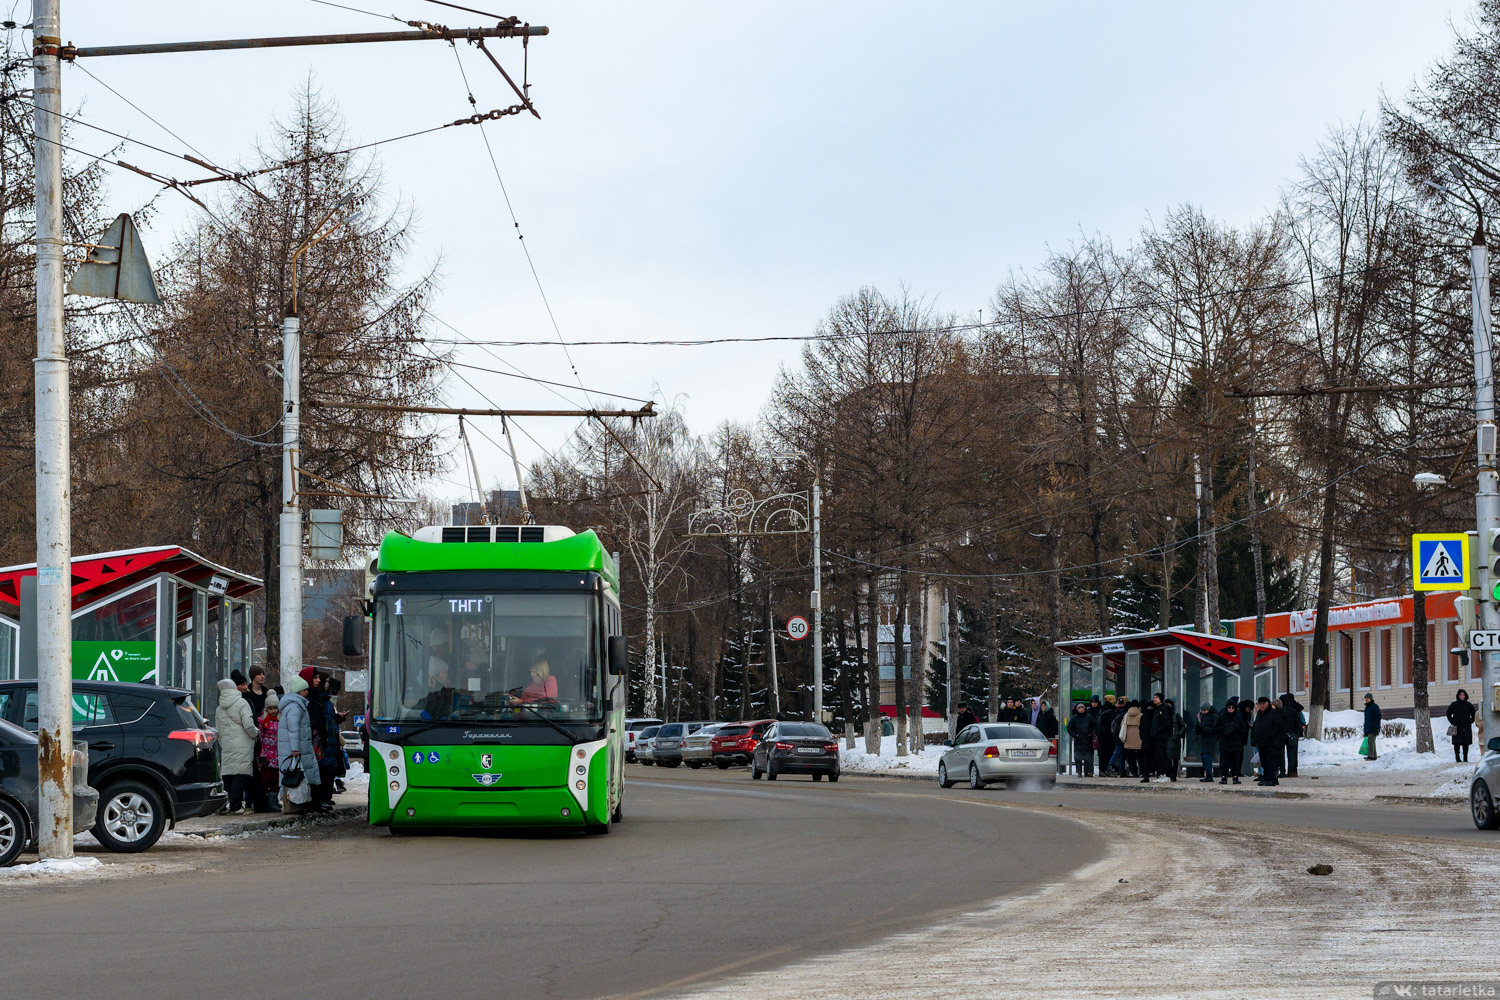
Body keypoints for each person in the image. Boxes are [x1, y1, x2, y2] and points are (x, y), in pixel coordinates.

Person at [215, 678, 259, 814]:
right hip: (242, 743)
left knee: (228, 775)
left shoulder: (219, 708)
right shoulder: (242, 703)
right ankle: (236, 805)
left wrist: (223, 743)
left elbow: (219, 730)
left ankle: (224, 804)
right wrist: (255, 734)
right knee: (239, 775)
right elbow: (248, 724)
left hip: (228, 744)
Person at [277, 675, 320, 812]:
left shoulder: (294, 705)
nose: (307, 692)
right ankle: (294, 804)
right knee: (296, 776)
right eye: (304, 690)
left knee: (297, 776)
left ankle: (298, 803)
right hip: (296, 748)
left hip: (298, 746)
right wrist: (295, 748)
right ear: (298, 691)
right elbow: (293, 729)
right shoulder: (295, 707)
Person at [1252, 696, 1287, 785]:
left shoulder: (1273, 713)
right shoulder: (1260, 714)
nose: (1262, 706)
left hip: (1271, 742)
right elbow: (1257, 726)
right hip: (1261, 742)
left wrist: (1275, 738)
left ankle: (1272, 778)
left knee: (1271, 761)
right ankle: (1267, 777)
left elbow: (1280, 727)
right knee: (1264, 761)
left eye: (1264, 704)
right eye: (1260, 704)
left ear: (1268, 704)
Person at [254, 692, 281, 812]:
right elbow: (258, 737)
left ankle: (273, 801)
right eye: (270, 708)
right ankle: (264, 802)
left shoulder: (281, 720)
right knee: (265, 779)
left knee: (276, 780)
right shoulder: (262, 721)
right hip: (265, 756)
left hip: (278, 755)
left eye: (275, 708)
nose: (273, 711)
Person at [1217, 698, 1246, 784]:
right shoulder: (1222, 717)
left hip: (1235, 743)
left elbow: (1244, 729)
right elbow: (1215, 728)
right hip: (1224, 742)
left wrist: (1236, 729)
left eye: (1232, 708)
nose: (1231, 709)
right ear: (1226, 708)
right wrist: (1224, 729)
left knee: (1235, 762)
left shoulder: (1238, 717)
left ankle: (1235, 777)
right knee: (1224, 761)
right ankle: (1224, 777)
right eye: (1229, 707)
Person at [1149, 693, 1175, 781]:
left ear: (1161, 699)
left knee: (1163, 756)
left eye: (1156, 698)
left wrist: (1156, 731)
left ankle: (1166, 774)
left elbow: (1165, 724)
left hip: (1162, 737)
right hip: (1156, 737)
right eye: (1154, 698)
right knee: (1158, 756)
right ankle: (1161, 774)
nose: (1154, 699)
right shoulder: (1157, 709)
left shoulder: (1164, 709)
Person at [1448, 688, 1478, 763]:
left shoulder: (1469, 705)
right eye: (1460, 695)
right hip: (1456, 727)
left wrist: (1471, 721)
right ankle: (1457, 758)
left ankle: (1465, 758)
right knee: (1456, 743)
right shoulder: (1454, 705)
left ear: (1465, 696)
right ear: (1458, 696)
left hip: (1466, 727)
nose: (1462, 696)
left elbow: (1474, 714)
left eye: (1463, 695)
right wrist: (1452, 721)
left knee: (1466, 743)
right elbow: (1448, 713)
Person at [1279, 692, 1305, 778]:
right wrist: (1295, 734)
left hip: (1281, 735)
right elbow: (1298, 724)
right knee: (1292, 754)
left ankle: (1282, 771)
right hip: (1292, 735)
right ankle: (1291, 771)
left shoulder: (1279, 711)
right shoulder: (1294, 711)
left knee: (1281, 753)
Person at [1067, 703, 1095, 777]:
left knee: (1088, 758)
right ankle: (1079, 772)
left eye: (1082, 707)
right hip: (1078, 741)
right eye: (1079, 708)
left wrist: (1091, 734)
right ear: (1077, 709)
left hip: (1088, 741)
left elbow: (1094, 726)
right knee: (1078, 758)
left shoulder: (1089, 717)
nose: (1081, 709)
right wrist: (1075, 735)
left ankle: (1087, 772)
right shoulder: (1074, 718)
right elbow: (1069, 728)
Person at [1195, 702, 1219, 782]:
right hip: (1204, 738)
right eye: (1202, 710)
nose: (1204, 712)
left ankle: (1209, 775)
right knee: (1203, 757)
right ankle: (1207, 775)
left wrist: (1203, 729)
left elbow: (1214, 729)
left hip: (1211, 739)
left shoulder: (1214, 716)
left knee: (1207, 756)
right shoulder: (1203, 716)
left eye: (1205, 710)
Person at [1097, 696, 1119, 777]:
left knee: (1102, 754)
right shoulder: (1111, 712)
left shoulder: (1102, 709)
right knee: (1108, 753)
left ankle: (1102, 770)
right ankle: (1107, 769)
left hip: (1101, 736)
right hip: (1109, 737)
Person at [1121, 699, 1143, 778]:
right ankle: (1142, 771)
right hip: (1139, 738)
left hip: (1128, 738)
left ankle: (1134, 772)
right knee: (1140, 756)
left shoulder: (1126, 715)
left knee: (1131, 757)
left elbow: (1122, 725)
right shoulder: (1141, 715)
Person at [1138, 696, 1158, 781]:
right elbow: (1141, 728)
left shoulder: (1144, 716)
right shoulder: (1153, 715)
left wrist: (1143, 736)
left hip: (1148, 740)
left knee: (1147, 758)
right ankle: (1151, 773)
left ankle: (1147, 774)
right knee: (1151, 758)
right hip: (1151, 740)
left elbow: (1141, 728)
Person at [1363, 693, 1382, 761]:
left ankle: (1371, 756)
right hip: (1368, 728)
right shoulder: (1367, 708)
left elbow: (1377, 718)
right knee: (1371, 742)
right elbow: (1366, 719)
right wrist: (1365, 730)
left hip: (1373, 728)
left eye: (1367, 698)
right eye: (1366, 698)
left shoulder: (1374, 706)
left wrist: (1376, 728)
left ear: (1371, 698)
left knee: (1371, 741)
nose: (1366, 699)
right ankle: (1374, 756)